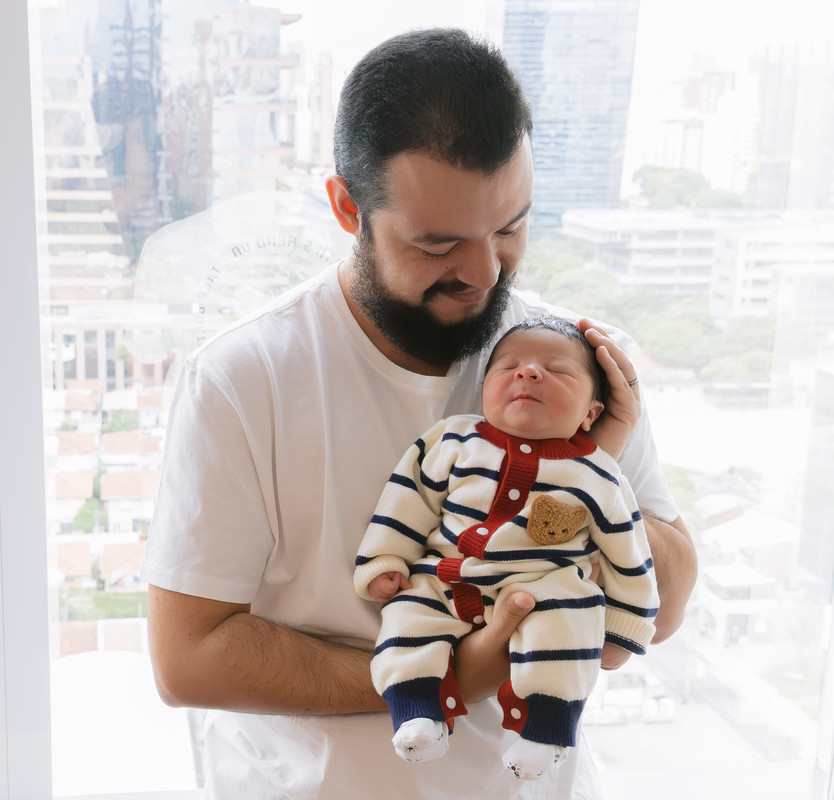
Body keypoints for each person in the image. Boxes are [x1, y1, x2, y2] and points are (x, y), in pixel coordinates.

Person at [142, 27, 697, 800]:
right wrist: (442, 678)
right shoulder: (242, 379)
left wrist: (597, 462)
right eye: (437, 244)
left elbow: (659, 613)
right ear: (345, 206)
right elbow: (189, 657)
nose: (482, 273)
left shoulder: (567, 365)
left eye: (509, 227)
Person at [356, 317, 658, 781]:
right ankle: (417, 710)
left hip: (541, 588)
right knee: (406, 618)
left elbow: (628, 553)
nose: (529, 373)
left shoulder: (599, 473)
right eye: (509, 366)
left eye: (556, 370)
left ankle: (547, 730)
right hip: (446, 579)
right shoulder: (451, 439)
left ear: (590, 414)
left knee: (569, 618)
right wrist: (383, 560)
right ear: (483, 394)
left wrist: (623, 629)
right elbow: (407, 498)